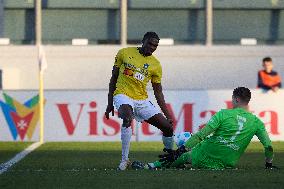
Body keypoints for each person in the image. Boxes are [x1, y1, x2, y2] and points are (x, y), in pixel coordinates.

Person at [145, 87, 277, 170]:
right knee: (192, 145)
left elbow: (202, 134)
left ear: (235, 99)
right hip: (227, 163)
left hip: (204, 157)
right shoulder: (257, 122)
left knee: (185, 151)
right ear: (247, 101)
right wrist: (269, 164)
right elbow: (268, 147)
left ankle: (152, 165)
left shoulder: (224, 114)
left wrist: (179, 151)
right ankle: (177, 161)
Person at [105, 32, 174, 170]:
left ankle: (170, 157)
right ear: (143, 41)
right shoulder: (124, 53)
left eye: (155, 45)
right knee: (127, 118)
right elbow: (113, 78)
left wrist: (167, 114)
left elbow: (158, 91)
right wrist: (109, 103)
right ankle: (124, 160)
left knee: (168, 128)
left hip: (141, 99)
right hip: (122, 94)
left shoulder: (156, 65)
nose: (152, 47)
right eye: (150, 43)